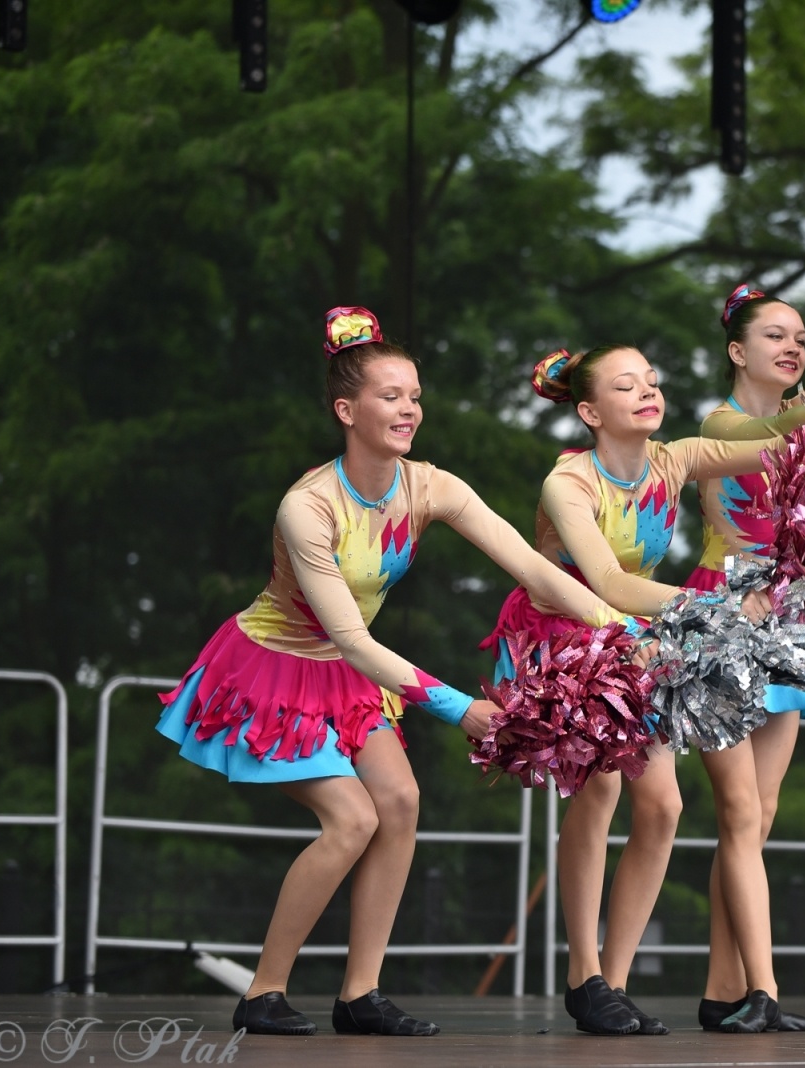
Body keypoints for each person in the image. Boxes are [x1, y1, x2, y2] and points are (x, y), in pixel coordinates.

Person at [157, 307, 638, 1037]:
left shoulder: (430, 486)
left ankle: (360, 994)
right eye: (390, 396)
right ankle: (263, 991)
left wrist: (621, 628)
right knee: (351, 818)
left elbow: (535, 570)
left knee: (401, 803)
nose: (409, 409)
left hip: (346, 675)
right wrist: (457, 708)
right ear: (346, 410)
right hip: (273, 669)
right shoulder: (307, 507)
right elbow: (350, 637)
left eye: (414, 395)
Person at [485, 343, 794, 1034]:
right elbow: (610, 583)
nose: (647, 391)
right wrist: (716, 604)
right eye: (626, 386)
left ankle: (611, 985)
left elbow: (782, 445)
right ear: (591, 411)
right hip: (563, 636)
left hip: (633, 639)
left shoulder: (674, 458)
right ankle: (583, 973)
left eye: (652, 380)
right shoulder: (569, 483)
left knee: (663, 807)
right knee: (599, 789)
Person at [685, 285, 805, 1032]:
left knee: (757, 817)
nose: (792, 347)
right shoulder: (720, 423)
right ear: (739, 351)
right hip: (724, 617)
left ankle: (722, 990)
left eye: (800, 336)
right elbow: (786, 430)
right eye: (775, 336)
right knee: (739, 811)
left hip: (788, 620)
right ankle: (764, 991)